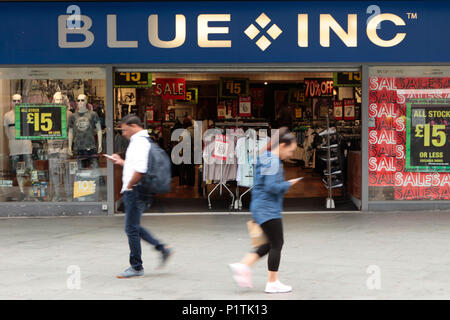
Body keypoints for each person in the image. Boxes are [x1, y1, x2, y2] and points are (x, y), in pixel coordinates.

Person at [229, 127, 301, 293]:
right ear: (282, 145)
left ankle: (243, 266)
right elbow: (271, 187)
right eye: (290, 151)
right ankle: (272, 282)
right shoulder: (272, 160)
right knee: (277, 243)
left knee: (270, 243)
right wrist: (288, 184)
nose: (290, 155)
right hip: (267, 208)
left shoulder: (266, 157)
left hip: (262, 206)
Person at [106, 114, 173, 278]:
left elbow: (141, 170)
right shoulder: (141, 141)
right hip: (136, 190)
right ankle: (162, 249)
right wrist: (120, 162)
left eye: (124, 130)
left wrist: (129, 185)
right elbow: (136, 165)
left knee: (131, 228)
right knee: (133, 227)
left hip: (135, 190)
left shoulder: (140, 143)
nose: (123, 134)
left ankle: (136, 267)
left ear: (134, 126)